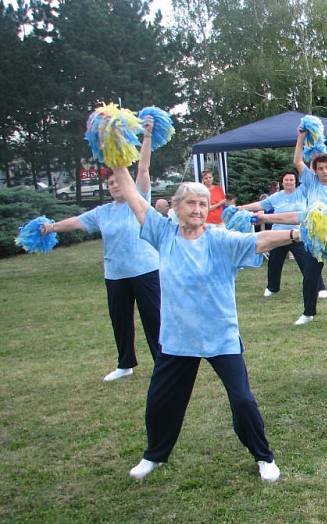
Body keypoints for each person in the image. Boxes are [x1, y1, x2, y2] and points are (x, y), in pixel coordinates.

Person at [112, 165, 299, 482]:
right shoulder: (163, 234)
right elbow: (133, 196)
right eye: (190, 203)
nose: (197, 209)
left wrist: (296, 234)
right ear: (176, 207)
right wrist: (117, 157)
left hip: (220, 337)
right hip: (178, 339)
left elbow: (261, 240)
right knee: (161, 401)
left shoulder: (219, 239)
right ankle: (153, 456)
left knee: (242, 399)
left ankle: (263, 457)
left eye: (202, 204)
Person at [39, 119, 161, 382]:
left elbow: (143, 169)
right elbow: (76, 222)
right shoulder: (102, 212)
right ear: (108, 187)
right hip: (115, 274)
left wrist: (147, 136)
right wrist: (51, 227)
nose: (116, 185)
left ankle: (162, 363)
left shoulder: (139, 199)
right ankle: (125, 364)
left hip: (146, 270)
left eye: (119, 181)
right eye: (111, 183)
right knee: (120, 320)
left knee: (154, 319)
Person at [238, 169, 326, 299]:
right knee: (274, 263)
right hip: (278, 235)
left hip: (298, 234)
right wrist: (242, 208)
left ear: (296, 181)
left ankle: (319, 287)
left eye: (292, 179)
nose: (289, 182)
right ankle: (272, 287)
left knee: (308, 262)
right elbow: (260, 205)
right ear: (282, 182)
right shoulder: (276, 197)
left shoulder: (303, 191)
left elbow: (311, 179)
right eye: (286, 180)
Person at [293, 130, 327, 325]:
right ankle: (308, 312)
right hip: (314, 238)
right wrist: (300, 138)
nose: (324, 171)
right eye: (320, 168)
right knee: (310, 277)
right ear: (315, 170)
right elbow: (298, 162)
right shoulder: (311, 182)